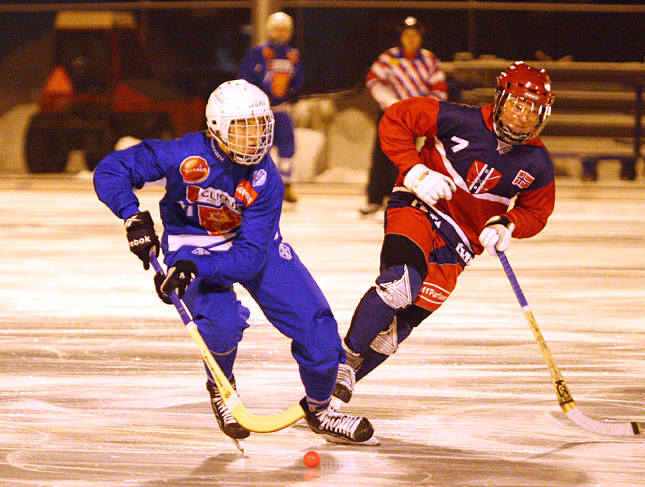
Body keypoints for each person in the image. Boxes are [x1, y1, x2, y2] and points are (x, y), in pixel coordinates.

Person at [93, 79, 376, 448]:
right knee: (220, 325)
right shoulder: (185, 155)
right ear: (215, 128)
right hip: (193, 241)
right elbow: (112, 169)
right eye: (242, 127)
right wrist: (132, 216)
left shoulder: (266, 178)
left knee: (317, 328)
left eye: (260, 126)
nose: (254, 138)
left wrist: (196, 270)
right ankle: (222, 388)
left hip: (248, 245)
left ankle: (321, 410)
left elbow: (251, 257)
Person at [332, 62, 556, 408]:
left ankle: (327, 398)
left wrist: (507, 224)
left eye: (533, 110)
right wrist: (416, 172)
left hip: (461, 245)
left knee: (397, 330)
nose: (523, 116)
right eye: (517, 104)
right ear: (501, 99)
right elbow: (396, 117)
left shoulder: (537, 163)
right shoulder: (459, 119)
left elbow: (536, 211)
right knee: (400, 284)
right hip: (419, 207)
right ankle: (342, 362)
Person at [360, 16, 448, 216]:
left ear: (420, 37)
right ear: (401, 36)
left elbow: (439, 90)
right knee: (381, 155)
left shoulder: (429, 60)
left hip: (413, 120)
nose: (410, 39)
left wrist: (422, 111)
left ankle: (399, 199)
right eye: (407, 35)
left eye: (414, 35)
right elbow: (373, 80)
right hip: (389, 115)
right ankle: (374, 199)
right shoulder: (388, 57)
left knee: (407, 158)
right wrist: (389, 102)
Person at [238, 11, 304, 204]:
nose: (281, 33)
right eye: (277, 29)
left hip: (282, 110)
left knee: (287, 147)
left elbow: (298, 79)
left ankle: (286, 185)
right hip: (261, 112)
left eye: (284, 29)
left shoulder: (293, 55)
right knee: (258, 148)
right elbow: (245, 76)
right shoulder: (258, 52)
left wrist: (295, 92)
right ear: (269, 30)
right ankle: (255, 188)